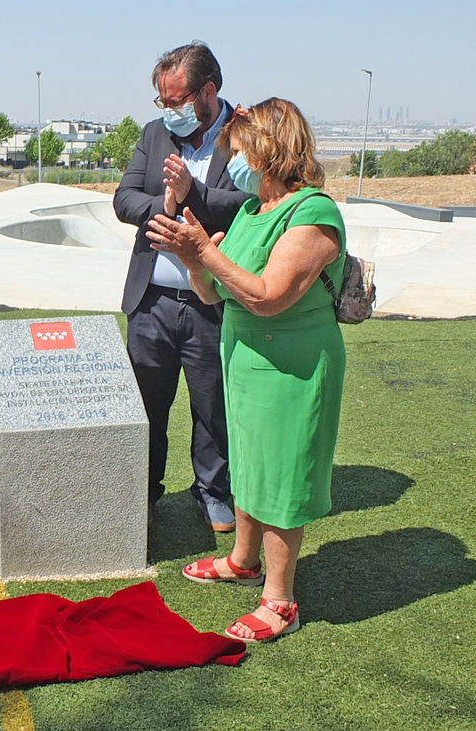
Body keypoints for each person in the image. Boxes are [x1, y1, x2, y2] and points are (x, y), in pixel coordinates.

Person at [146, 98, 347, 643]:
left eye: (239, 149)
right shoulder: (250, 212)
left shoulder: (312, 212)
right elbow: (214, 293)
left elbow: (268, 297)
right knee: (250, 461)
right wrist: (193, 258)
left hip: (294, 365)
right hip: (246, 356)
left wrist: (206, 256)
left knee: (281, 470)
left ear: (270, 149)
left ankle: (280, 601)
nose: (233, 159)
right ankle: (243, 559)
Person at [113, 42, 252, 533]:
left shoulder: (247, 136)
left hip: (213, 302)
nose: (168, 111)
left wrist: (194, 195)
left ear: (208, 92)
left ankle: (213, 491)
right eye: (162, 102)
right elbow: (124, 198)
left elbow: (250, 207)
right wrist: (166, 208)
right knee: (146, 404)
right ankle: (143, 492)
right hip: (150, 301)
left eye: (176, 101)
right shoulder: (155, 136)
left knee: (211, 404)